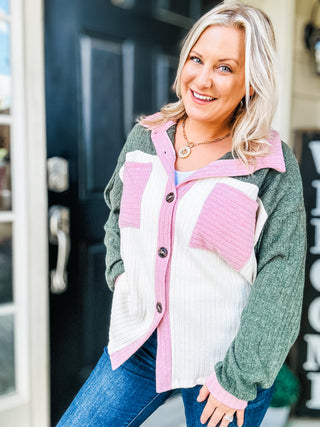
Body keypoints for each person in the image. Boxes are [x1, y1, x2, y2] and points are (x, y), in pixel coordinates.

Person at [57, 1, 306, 426]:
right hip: (140, 344)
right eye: (197, 58)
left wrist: (239, 380)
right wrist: (120, 276)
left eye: (225, 67)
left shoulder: (272, 166)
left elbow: (280, 282)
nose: (202, 79)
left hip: (225, 364)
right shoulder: (145, 137)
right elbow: (118, 214)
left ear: (252, 81)